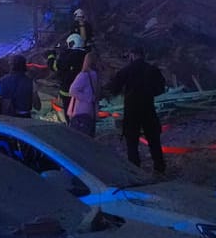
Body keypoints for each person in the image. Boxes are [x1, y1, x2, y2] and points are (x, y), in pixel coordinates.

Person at [108, 44, 168, 173]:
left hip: (131, 109)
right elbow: (161, 88)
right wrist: (149, 93)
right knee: (153, 139)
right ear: (143, 55)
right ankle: (159, 167)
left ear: (132, 55)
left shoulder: (126, 70)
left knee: (132, 141)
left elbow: (114, 89)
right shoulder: (152, 69)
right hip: (148, 107)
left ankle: (135, 169)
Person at [65, 52, 102, 136]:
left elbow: (72, 90)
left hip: (85, 113)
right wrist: (90, 98)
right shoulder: (88, 76)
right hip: (85, 112)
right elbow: (73, 90)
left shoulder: (89, 75)